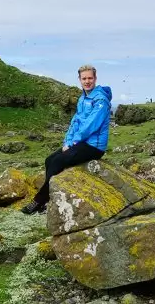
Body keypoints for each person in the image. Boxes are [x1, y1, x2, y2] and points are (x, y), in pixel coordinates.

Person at [21, 64, 112, 215]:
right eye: (84, 78)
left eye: (90, 78)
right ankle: (47, 198)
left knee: (58, 161)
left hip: (94, 146)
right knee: (50, 159)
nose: (87, 81)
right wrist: (67, 142)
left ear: (95, 78)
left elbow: (91, 126)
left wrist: (72, 143)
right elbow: (75, 122)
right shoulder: (83, 98)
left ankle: (39, 201)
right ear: (79, 79)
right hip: (81, 142)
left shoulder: (101, 100)